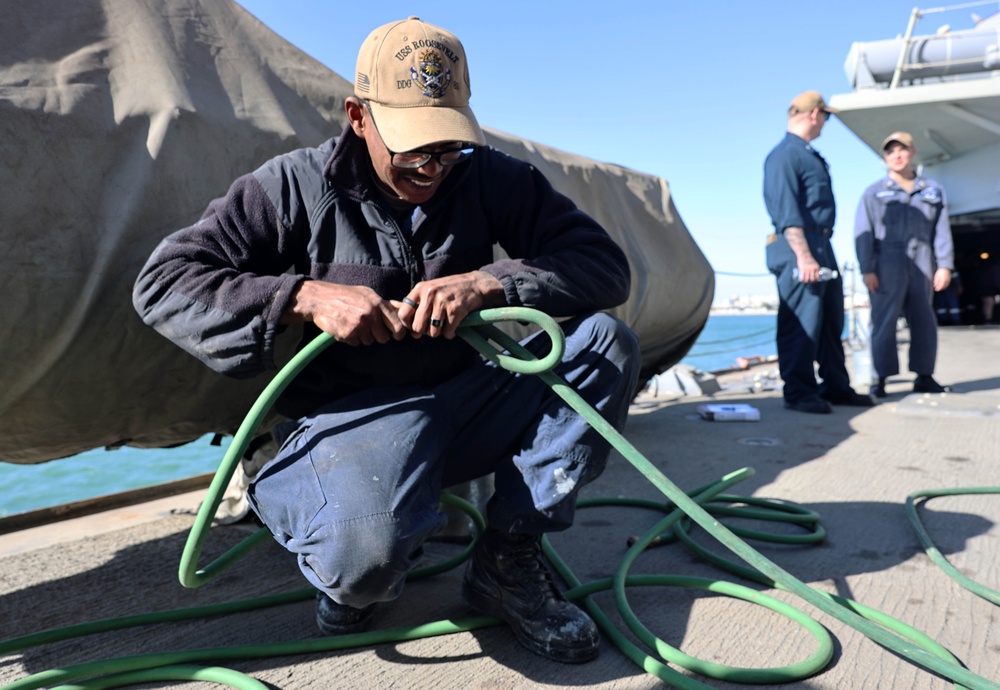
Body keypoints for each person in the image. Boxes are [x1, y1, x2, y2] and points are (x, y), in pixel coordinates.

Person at [132, 17, 640, 664]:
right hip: (354, 418)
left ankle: (509, 560)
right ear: (357, 116)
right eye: (414, 148)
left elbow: (603, 265)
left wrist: (489, 284)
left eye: (448, 145)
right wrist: (302, 298)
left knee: (605, 345)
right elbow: (165, 281)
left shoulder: (488, 177)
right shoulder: (293, 185)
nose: (433, 167)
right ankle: (314, 506)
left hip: (467, 400)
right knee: (363, 567)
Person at [763, 91, 875, 414]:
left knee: (829, 321)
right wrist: (804, 255)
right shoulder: (785, 155)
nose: (826, 123)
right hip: (800, 246)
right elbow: (786, 211)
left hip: (821, 244)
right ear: (814, 114)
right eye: (826, 116)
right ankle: (799, 392)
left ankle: (836, 386)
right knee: (802, 322)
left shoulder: (808, 154)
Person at [854, 132, 954, 397]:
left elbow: (941, 230)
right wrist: (867, 268)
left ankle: (924, 375)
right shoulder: (874, 193)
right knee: (883, 321)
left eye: (901, 149)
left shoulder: (932, 191)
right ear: (885, 158)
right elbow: (863, 231)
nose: (896, 155)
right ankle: (880, 378)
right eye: (890, 151)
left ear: (912, 152)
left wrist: (944, 264)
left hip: (923, 261)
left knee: (924, 320)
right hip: (887, 262)